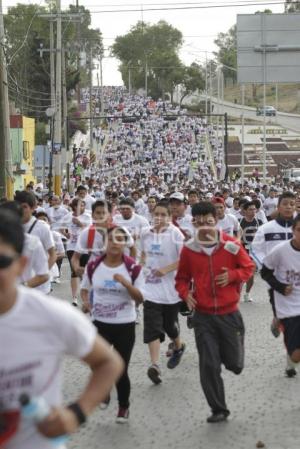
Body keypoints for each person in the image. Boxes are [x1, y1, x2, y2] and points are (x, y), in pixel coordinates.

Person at [0, 208, 123, 449]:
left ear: (21, 264)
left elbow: (109, 362)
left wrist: (76, 413)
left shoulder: (49, 314)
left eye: (1, 261)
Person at [175, 202, 254, 423]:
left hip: (230, 314)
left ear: (215, 220)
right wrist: (185, 294)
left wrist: (232, 276)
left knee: (235, 365)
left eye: (208, 222)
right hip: (203, 316)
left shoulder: (230, 245)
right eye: (199, 223)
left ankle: (234, 357)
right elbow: (181, 278)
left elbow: (248, 268)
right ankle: (218, 408)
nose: (204, 227)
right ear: (194, 223)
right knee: (208, 364)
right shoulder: (189, 249)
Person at [80, 226, 144, 423]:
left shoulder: (133, 268)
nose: (115, 243)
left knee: (121, 368)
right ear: (105, 242)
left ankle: (123, 406)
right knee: (97, 363)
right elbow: (85, 289)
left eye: (119, 240)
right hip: (99, 323)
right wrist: (86, 303)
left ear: (125, 244)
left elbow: (140, 299)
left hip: (124, 324)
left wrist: (126, 284)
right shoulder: (93, 266)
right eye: (111, 239)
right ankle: (104, 391)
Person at [251, 191, 297, 377]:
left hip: (298, 284)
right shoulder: (267, 229)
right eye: (285, 204)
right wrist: (267, 268)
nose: (288, 207)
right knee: (288, 322)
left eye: (292, 204)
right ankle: (279, 323)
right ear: (278, 207)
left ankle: (290, 359)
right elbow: (256, 250)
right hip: (277, 285)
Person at [140, 201, 185, 385]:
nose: (159, 217)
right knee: (152, 327)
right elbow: (142, 254)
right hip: (150, 289)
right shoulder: (145, 234)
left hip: (170, 290)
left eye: (163, 215)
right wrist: (141, 267)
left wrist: (166, 269)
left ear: (169, 217)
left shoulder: (175, 234)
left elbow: (184, 260)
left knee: (169, 326)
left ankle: (179, 345)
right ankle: (155, 365)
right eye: (156, 213)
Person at [261, 214, 300, 379]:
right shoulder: (280, 251)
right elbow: (265, 272)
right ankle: (291, 359)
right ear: (293, 230)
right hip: (289, 304)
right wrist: (281, 287)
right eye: (299, 230)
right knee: (296, 356)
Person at [14, 190, 57, 295]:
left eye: (24, 207)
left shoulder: (42, 227)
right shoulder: (11, 226)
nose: (21, 210)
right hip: (17, 286)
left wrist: (42, 273)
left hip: (39, 288)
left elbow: (53, 254)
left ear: (33, 208)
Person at [60, 198, 92, 306]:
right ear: (74, 206)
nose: (82, 207)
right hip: (72, 247)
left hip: (85, 247)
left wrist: (80, 224)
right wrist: (65, 234)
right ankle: (74, 298)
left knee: (84, 271)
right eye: (79, 205)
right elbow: (61, 227)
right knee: (74, 271)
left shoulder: (88, 216)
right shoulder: (68, 216)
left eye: (83, 205)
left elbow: (90, 230)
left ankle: (85, 290)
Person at [239, 201, 263, 302]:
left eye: (254, 209)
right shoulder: (239, 222)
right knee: (240, 275)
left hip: (254, 251)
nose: (253, 211)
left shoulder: (259, 222)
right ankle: (235, 294)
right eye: (250, 209)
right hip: (242, 249)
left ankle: (247, 294)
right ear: (245, 211)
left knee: (250, 274)